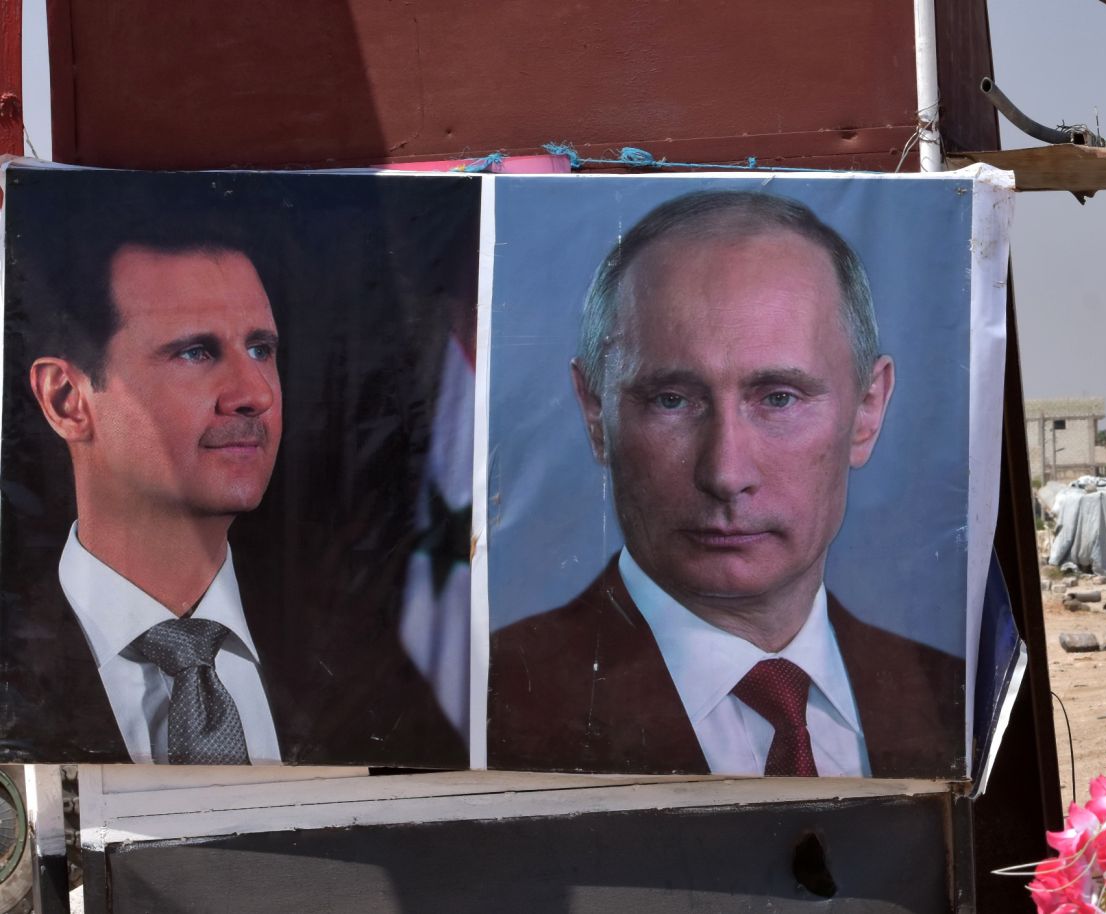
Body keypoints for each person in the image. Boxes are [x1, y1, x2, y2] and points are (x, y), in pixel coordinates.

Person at [489, 190, 963, 779]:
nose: (726, 474)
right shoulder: (482, 704)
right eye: (671, 400)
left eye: (779, 398)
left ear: (868, 409)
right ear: (595, 414)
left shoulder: (957, 700)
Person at [4, 216, 460, 767]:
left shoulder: (366, 655)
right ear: (67, 400)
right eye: (196, 352)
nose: (255, 394)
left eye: (262, 349)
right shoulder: (16, 661)